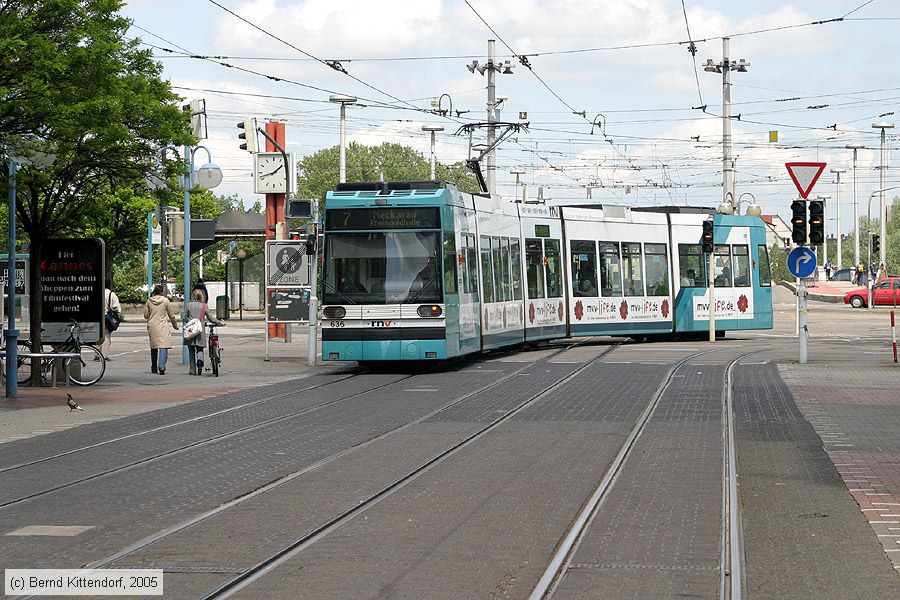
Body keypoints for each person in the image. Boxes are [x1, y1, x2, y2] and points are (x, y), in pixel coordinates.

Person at [184, 289, 225, 376]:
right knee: (200, 348)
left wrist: (190, 322)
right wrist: (219, 322)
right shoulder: (204, 306)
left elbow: (185, 317)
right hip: (200, 331)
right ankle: (200, 360)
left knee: (191, 350)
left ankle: (192, 370)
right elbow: (211, 318)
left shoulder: (188, 305)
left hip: (190, 331)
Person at [144, 283, 179, 374]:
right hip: (163, 326)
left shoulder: (149, 301)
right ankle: (162, 366)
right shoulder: (166, 301)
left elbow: (145, 315)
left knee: (154, 347)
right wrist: (175, 326)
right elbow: (171, 315)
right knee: (163, 346)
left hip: (152, 326)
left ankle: (154, 367)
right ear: (162, 292)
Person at [101, 278, 121, 361]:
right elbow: (117, 308)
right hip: (107, 318)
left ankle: (97, 354)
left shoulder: (98, 293)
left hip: (98, 318)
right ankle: (104, 355)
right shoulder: (111, 295)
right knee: (106, 336)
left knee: (98, 336)